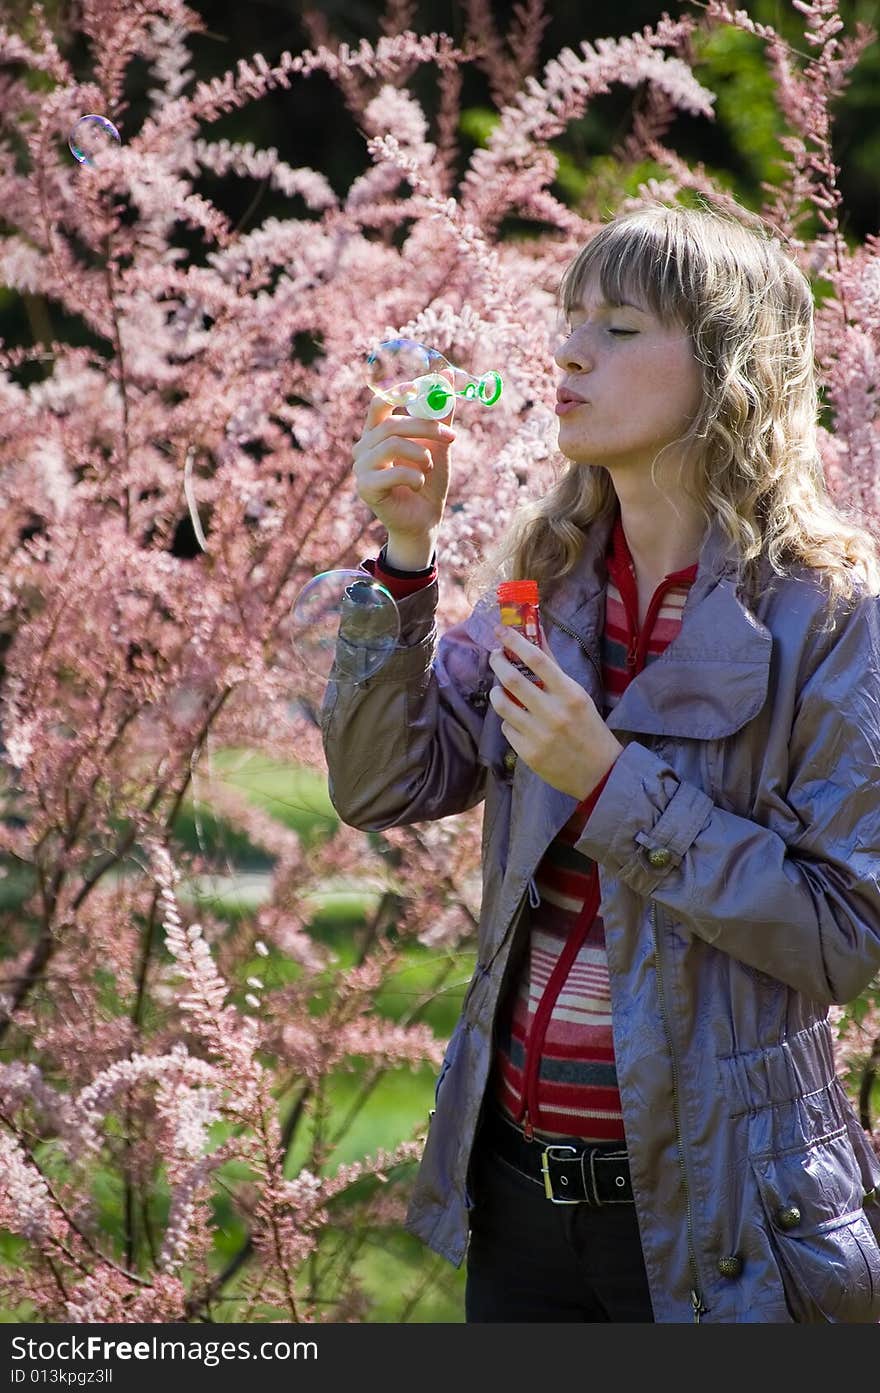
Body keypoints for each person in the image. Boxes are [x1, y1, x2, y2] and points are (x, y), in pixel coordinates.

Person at [321, 200, 880, 1323]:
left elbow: (840, 940)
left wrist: (607, 781)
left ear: (729, 370)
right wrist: (406, 556)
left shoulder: (829, 620)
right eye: (570, 318)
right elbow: (382, 785)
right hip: (519, 1199)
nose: (570, 349)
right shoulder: (551, 584)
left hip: (730, 1220)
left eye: (619, 327)